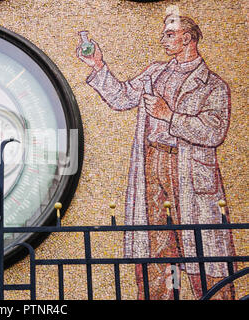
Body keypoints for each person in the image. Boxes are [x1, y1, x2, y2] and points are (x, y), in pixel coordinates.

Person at [77, 15, 235, 299]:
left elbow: (214, 132)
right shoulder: (155, 73)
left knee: (202, 249)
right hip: (152, 165)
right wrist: (98, 66)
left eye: (170, 34)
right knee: (158, 246)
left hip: (188, 169)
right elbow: (122, 97)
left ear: (188, 38)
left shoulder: (213, 85)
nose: (163, 40)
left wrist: (169, 115)